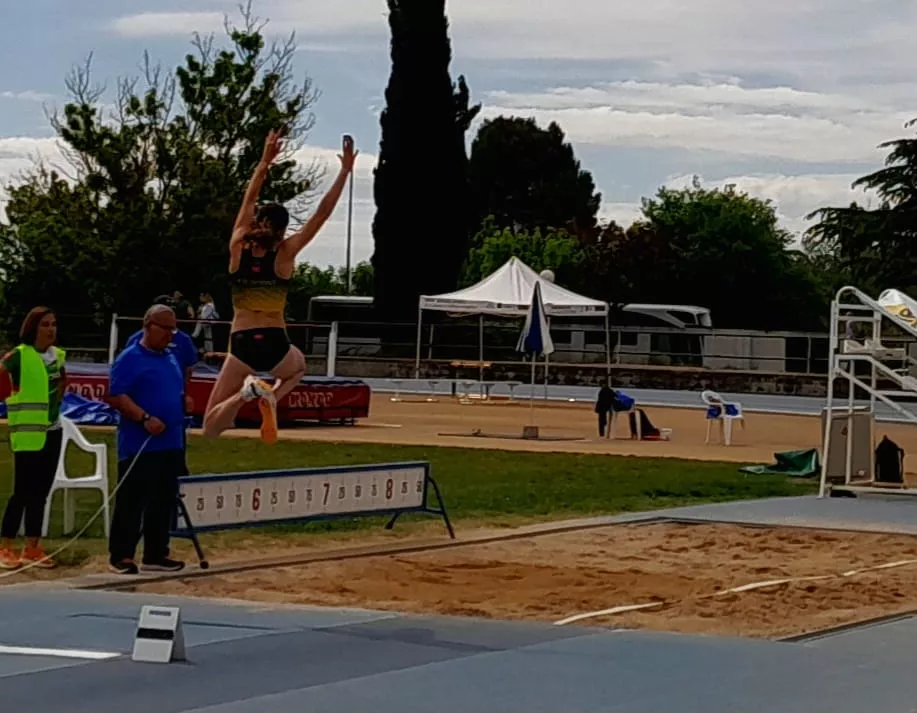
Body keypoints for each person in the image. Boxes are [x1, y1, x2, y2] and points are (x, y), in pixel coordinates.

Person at [202, 128, 357, 444]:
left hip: (242, 340)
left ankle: (246, 394)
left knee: (210, 426)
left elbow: (249, 198)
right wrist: (344, 172)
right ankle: (271, 394)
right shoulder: (285, 253)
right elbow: (322, 214)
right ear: (284, 229)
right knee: (296, 368)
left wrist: (264, 161)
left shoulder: (237, 246)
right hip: (274, 340)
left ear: (257, 222)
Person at [106, 304, 187, 574]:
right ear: (148, 325)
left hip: (171, 440)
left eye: (172, 329)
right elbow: (117, 396)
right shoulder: (130, 358)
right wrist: (144, 418)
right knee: (132, 499)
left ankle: (156, 552)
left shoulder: (170, 357)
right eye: (165, 328)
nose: (170, 334)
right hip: (139, 443)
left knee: (163, 499)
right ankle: (122, 554)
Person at [0, 307, 67, 570]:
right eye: (45, 325)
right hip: (28, 432)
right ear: (33, 328)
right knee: (22, 491)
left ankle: (32, 546)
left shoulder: (58, 357)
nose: (51, 329)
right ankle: (6, 545)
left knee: (41, 492)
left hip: (53, 430)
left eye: (53, 324)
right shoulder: (18, 356)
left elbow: (62, 382)